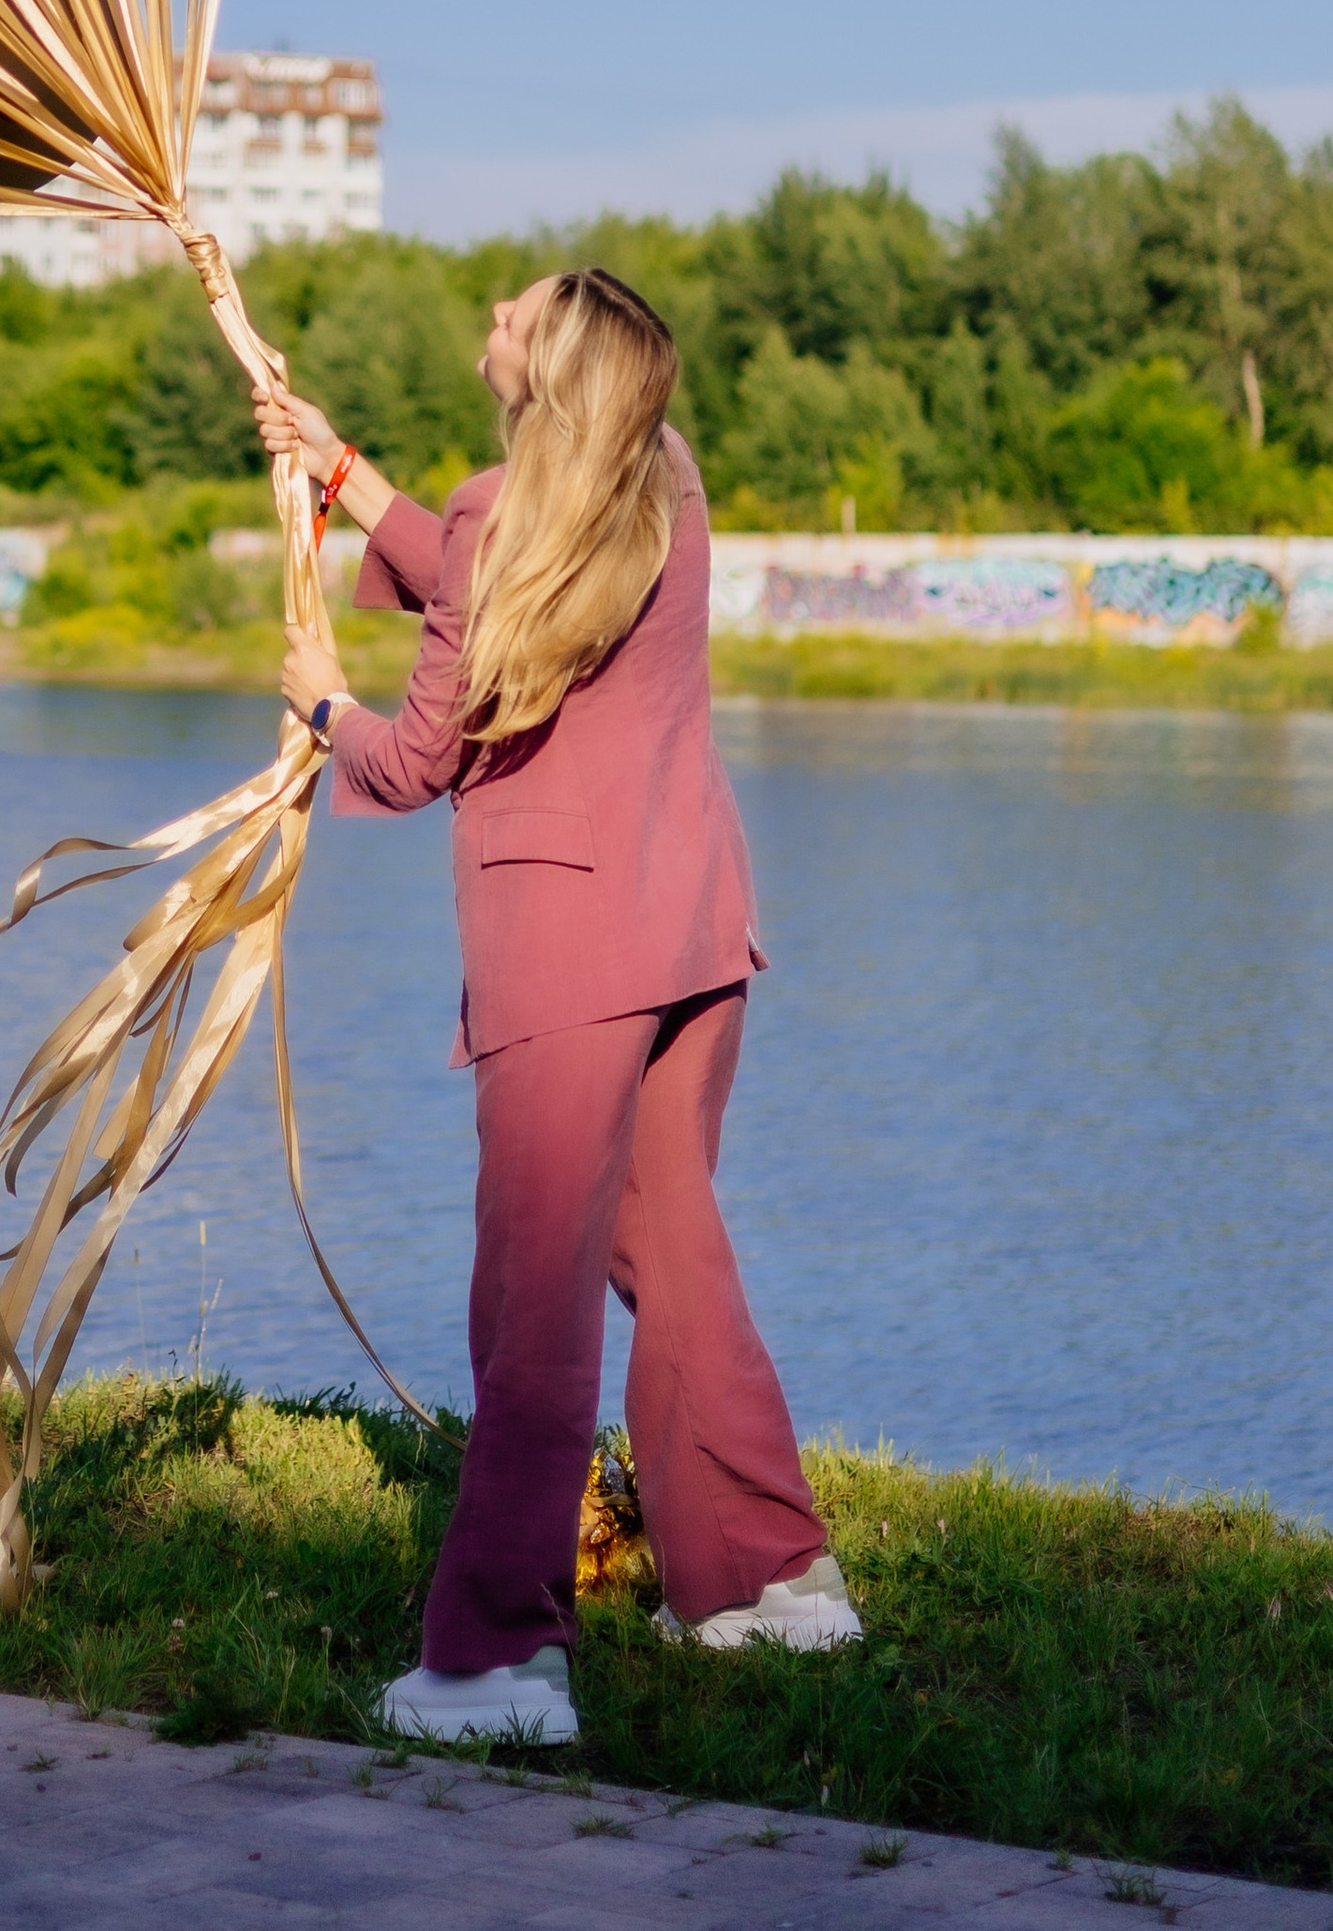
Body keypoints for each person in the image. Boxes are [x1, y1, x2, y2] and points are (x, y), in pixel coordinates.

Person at [259, 264, 859, 1746]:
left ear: (544, 365)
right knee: (678, 1256)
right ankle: (771, 1585)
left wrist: (325, 702)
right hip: (693, 937)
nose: (492, 324)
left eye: (513, 316)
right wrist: (341, 473)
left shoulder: (499, 516)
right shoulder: (665, 481)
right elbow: (485, 563)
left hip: (564, 961)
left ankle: (495, 1664)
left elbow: (413, 761)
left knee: (532, 1305)